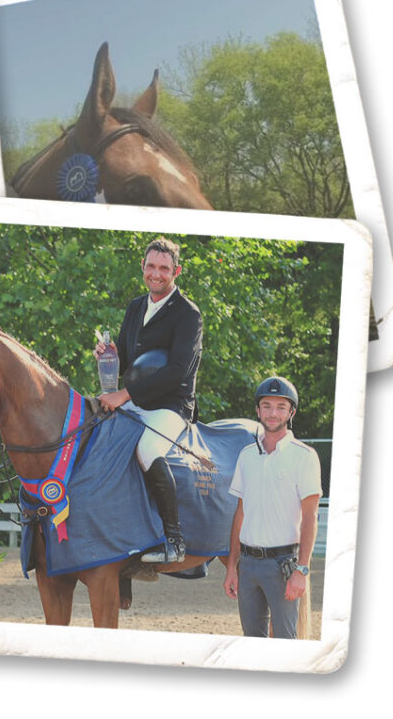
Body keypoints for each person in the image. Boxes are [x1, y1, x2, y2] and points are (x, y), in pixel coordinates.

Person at [93, 236, 202, 563]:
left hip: (172, 405)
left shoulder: (188, 314)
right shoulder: (135, 306)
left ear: (176, 271)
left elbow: (178, 371)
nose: (156, 273)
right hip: (134, 400)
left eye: (164, 268)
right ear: (143, 267)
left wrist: (123, 395)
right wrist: (108, 357)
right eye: (151, 266)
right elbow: (126, 359)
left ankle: (174, 539)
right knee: (94, 437)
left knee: (146, 449)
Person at [223, 377, 322, 639]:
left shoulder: (304, 457)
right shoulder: (246, 456)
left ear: (291, 412)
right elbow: (240, 513)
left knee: (285, 644)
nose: (273, 412)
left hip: (283, 566)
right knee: (252, 643)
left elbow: (311, 517)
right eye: (266, 405)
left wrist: (301, 570)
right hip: (248, 566)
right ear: (258, 411)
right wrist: (232, 567)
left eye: (280, 406)